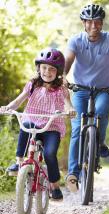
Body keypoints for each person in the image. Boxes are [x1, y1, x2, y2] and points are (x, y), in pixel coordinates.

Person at [64, 4, 109, 192]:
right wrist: (62, 76)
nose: (94, 25)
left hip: (105, 89)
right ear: (84, 23)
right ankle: (73, 174)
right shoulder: (76, 40)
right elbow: (68, 59)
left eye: (98, 22)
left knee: (101, 113)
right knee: (77, 128)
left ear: (102, 23)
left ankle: (99, 141)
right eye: (90, 22)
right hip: (81, 89)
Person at [0, 48, 76, 200]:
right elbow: (19, 100)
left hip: (51, 127)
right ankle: (19, 162)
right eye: (44, 68)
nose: (47, 72)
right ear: (39, 68)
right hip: (33, 121)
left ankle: (54, 186)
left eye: (52, 69)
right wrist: (8, 107)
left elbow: (68, 104)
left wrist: (70, 110)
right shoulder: (33, 84)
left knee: (49, 154)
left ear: (58, 71)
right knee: (25, 124)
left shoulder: (61, 88)